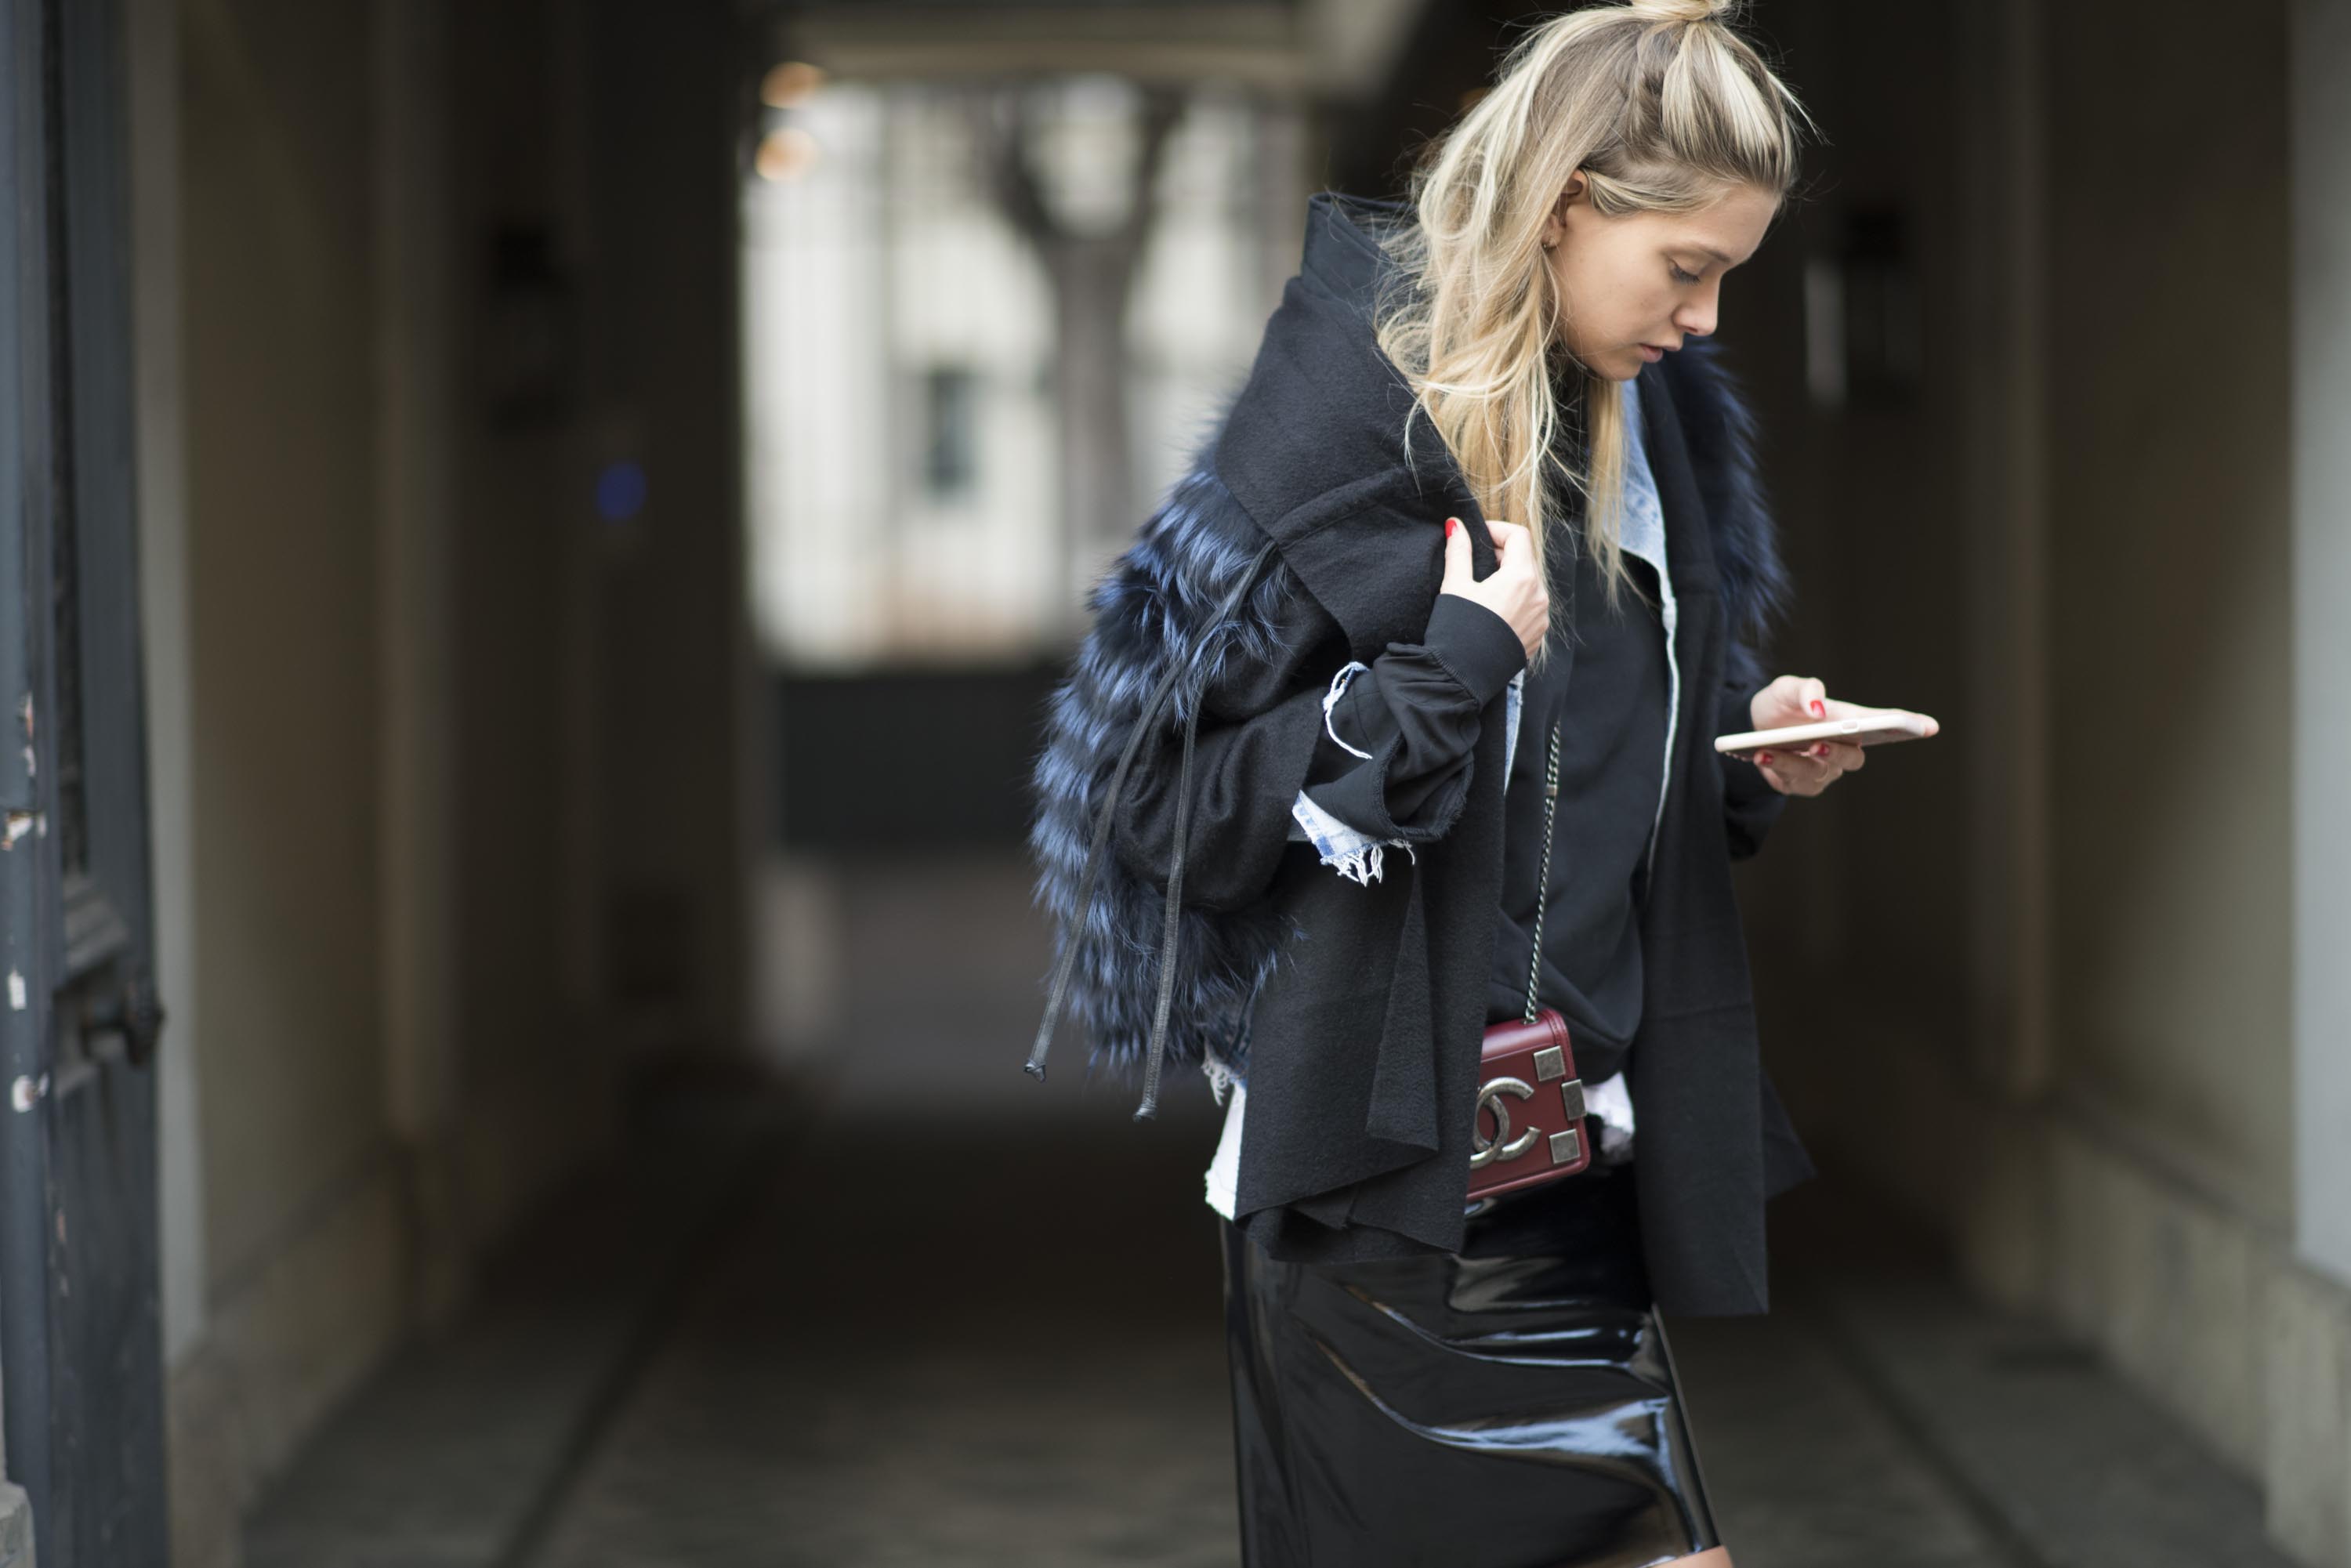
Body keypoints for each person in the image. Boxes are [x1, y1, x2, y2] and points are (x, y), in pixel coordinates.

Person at [1027, 2, 1927, 1561]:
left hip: (1571, 1173)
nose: (1706, 324)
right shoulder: (1336, 427)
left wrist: (1752, 738)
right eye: (1689, 269)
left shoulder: (1658, 437)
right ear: (1571, 204)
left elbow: (1601, 767)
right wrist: (1438, 671)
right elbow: (1152, 804)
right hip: (1380, 1222)